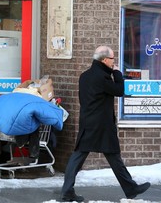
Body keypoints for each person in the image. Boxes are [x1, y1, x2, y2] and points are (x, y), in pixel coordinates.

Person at [60, 46, 151, 202]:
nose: (114, 62)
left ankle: (67, 191)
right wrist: (117, 73)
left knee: (79, 157)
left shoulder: (85, 76)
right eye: (113, 59)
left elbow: (84, 99)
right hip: (102, 124)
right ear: (104, 60)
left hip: (87, 122)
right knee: (113, 156)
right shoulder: (102, 77)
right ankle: (131, 188)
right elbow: (119, 90)